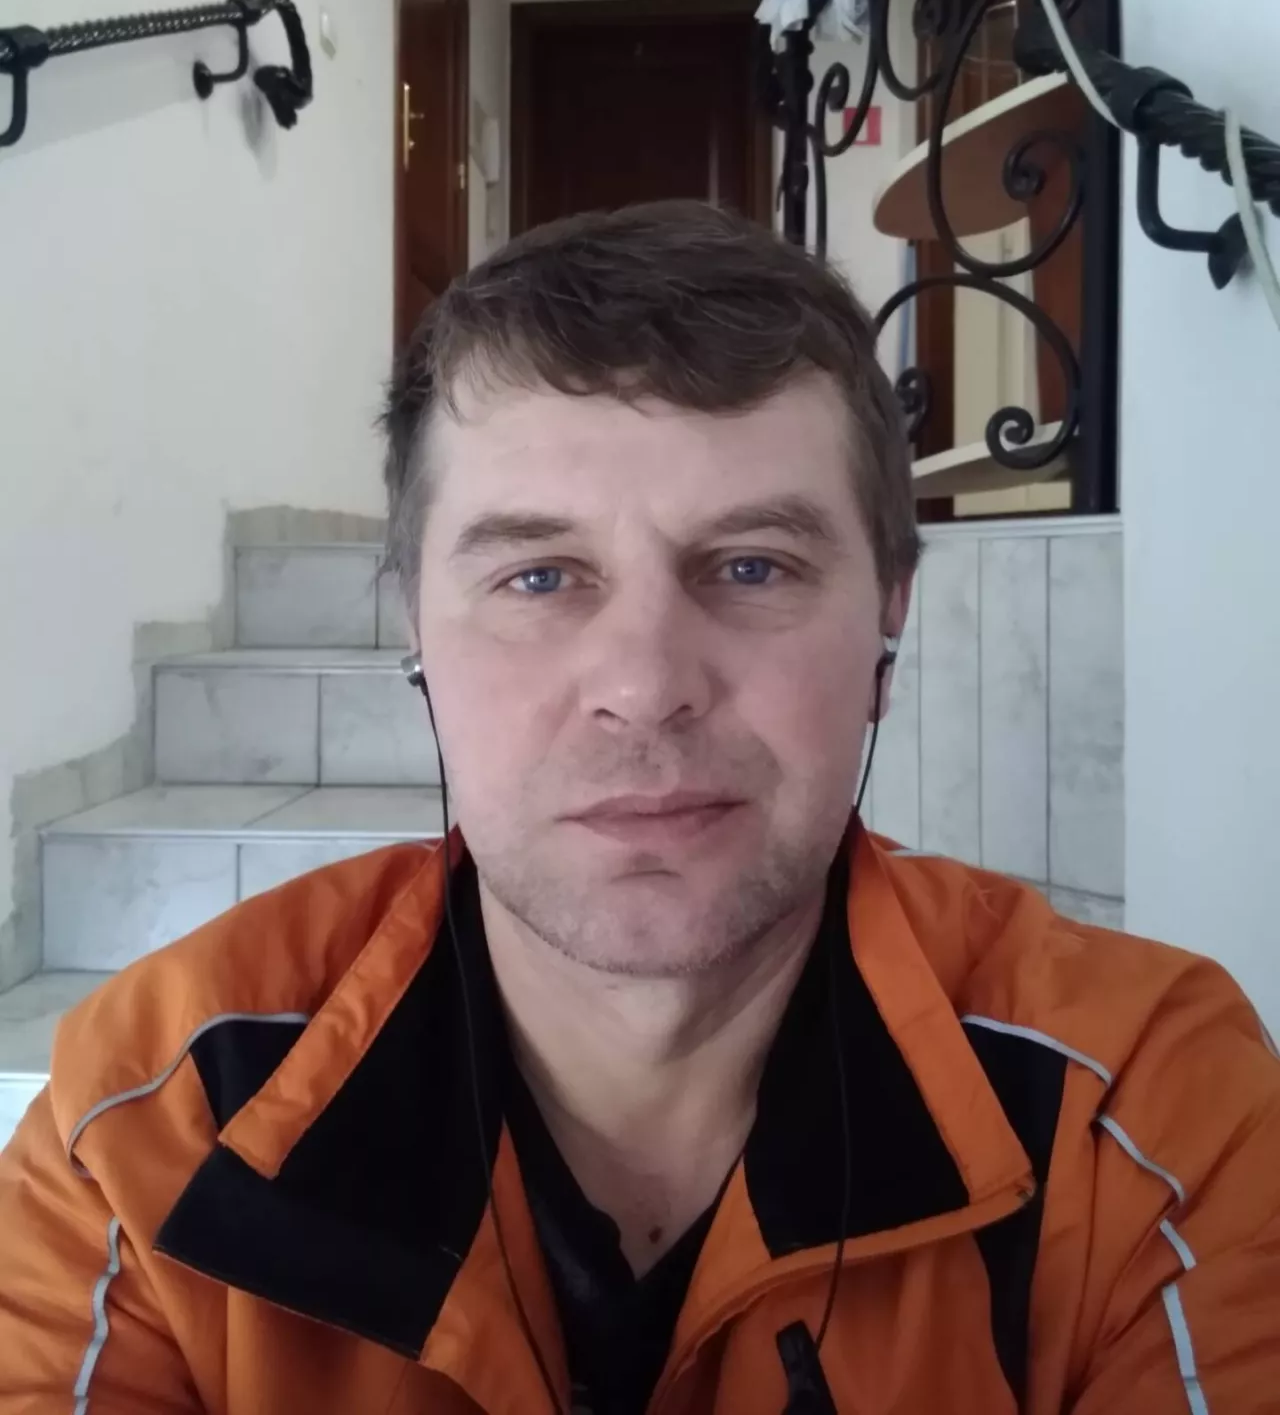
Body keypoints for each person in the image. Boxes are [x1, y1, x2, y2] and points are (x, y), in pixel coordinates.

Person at [0, 202, 1277, 1415]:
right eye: (538, 576)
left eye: (751, 566)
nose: (645, 685)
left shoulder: (1143, 1117)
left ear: (888, 616)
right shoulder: (154, 1121)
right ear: (415, 632)